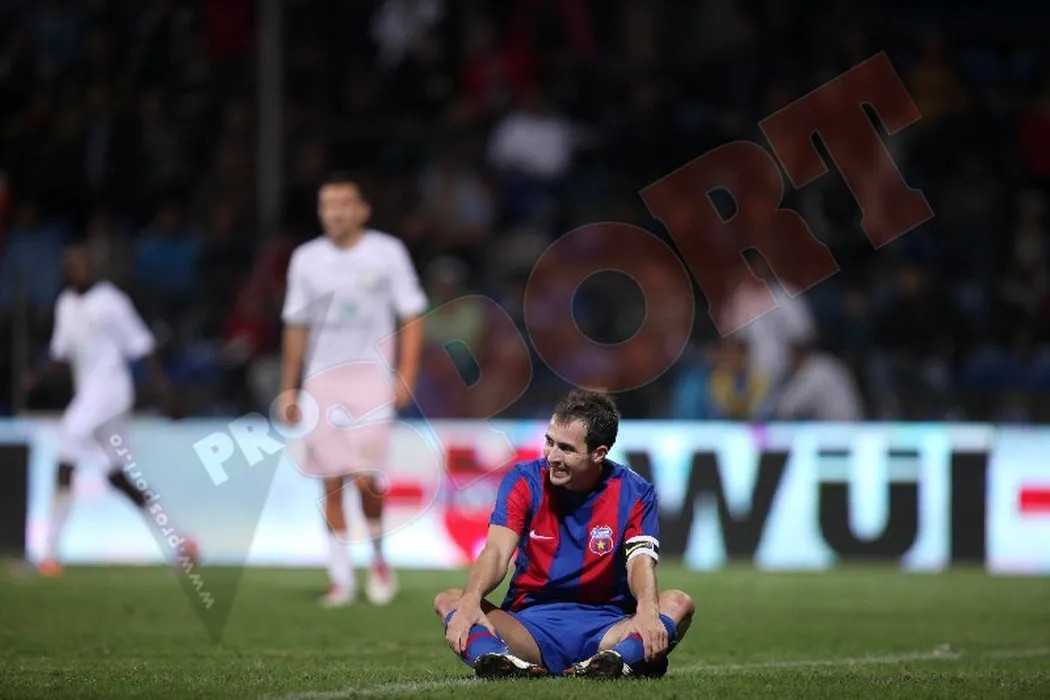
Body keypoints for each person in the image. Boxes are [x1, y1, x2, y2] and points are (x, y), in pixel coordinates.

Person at [434, 389, 694, 679]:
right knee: (450, 600)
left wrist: (646, 609)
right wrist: (471, 600)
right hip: (528, 631)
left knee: (678, 603)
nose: (552, 456)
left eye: (567, 449)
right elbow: (496, 552)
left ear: (599, 453)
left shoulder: (635, 492)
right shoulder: (524, 481)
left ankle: (610, 661)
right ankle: (508, 662)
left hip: (608, 629)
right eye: (550, 442)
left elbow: (640, 564)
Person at [280, 173, 427, 607]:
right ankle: (340, 577)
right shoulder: (306, 258)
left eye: (344, 203)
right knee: (330, 482)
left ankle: (378, 558)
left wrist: (406, 373)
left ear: (363, 210)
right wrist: (289, 387)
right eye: (328, 205)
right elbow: (295, 325)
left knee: (367, 480)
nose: (336, 212)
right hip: (322, 380)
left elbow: (412, 315)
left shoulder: (387, 252)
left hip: (371, 380)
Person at [32, 244, 197, 576]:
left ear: (93, 267)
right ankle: (181, 542)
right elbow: (62, 353)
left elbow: (142, 344)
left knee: (66, 452)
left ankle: (49, 552)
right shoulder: (66, 304)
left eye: (83, 263)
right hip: (89, 396)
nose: (79, 269)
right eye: (72, 265)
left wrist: (164, 393)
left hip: (111, 393)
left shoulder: (111, 301)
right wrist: (37, 375)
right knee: (118, 477)